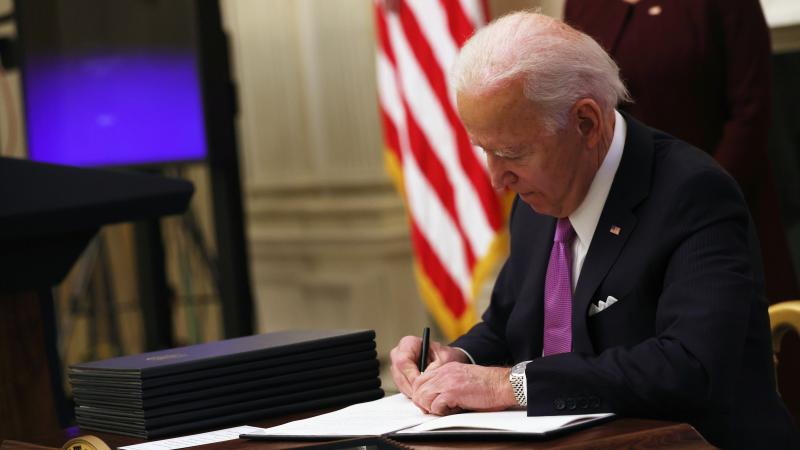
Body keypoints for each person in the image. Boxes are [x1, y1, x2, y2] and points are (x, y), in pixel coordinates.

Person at [389, 11, 799, 449]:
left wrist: (509, 386)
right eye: (484, 150)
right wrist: (456, 358)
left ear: (586, 122)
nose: (496, 179)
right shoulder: (536, 199)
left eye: (511, 152)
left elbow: (689, 365)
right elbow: (509, 324)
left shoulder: (693, 192)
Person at [563, 0, 798, 302]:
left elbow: (750, 114)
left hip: (719, 210)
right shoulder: (582, 5)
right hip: (624, 223)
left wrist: (699, 199)